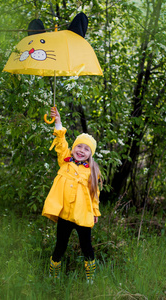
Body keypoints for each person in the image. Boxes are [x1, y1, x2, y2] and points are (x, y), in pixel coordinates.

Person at [42, 107, 102, 283]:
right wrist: (58, 121)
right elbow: (61, 142)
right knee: (60, 244)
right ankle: (54, 274)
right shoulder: (65, 161)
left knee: (87, 246)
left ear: (91, 154)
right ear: (74, 148)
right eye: (79, 146)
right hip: (65, 214)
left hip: (83, 214)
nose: (81, 151)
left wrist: (95, 213)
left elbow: (94, 194)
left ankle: (90, 277)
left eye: (86, 149)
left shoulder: (92, 170)